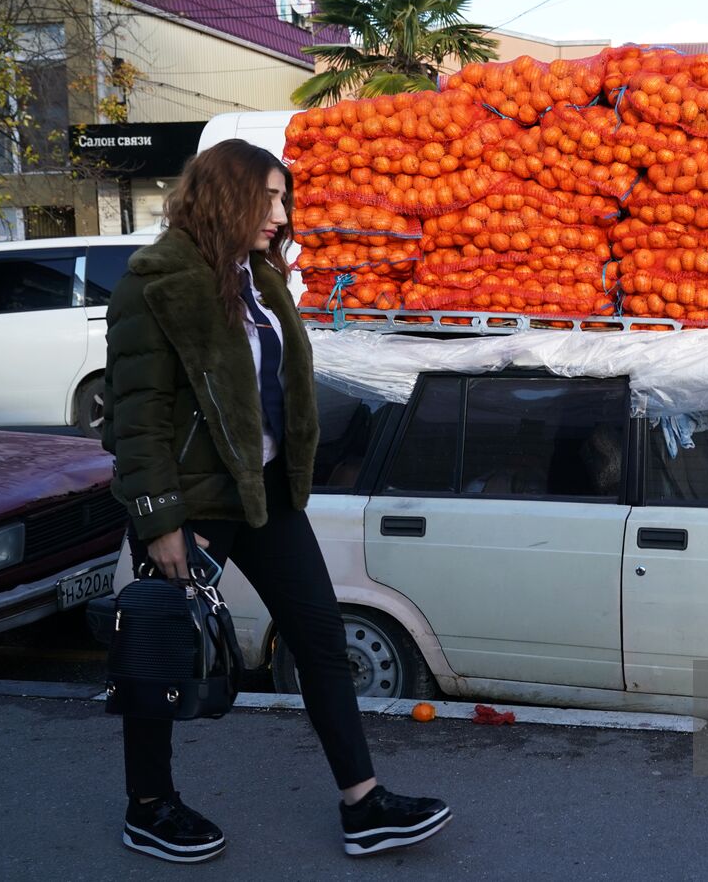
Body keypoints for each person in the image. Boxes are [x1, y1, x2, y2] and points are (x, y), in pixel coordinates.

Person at [102, 140, 451, 862]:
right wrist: (159, 519)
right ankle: (149, 804)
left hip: (262, 493)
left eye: (283, 198)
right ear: (227, 195)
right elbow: (136, 414)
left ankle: (364, 804)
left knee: (321, 639)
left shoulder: (256, 277)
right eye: (268, 198)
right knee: (162, 652)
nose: (282, 214)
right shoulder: (156, 280)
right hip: (192, 503)